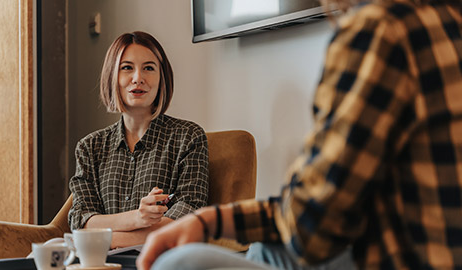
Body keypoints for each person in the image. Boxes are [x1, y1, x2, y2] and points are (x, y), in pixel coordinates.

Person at [136, 0, 462, 268]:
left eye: (148, 67)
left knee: (179, 264)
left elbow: (313, 229)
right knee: (266, 251)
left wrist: (207, 220)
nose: (138, 78)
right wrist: (211, 220)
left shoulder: (381, 29)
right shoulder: (446, 21)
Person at [68, 31, 209, 249]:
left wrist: (108, 240)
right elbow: (83, 220)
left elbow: (187, 217)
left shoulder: (188, 137)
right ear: (112, 76)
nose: (137, 78)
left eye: (149, 68)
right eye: (127, 68)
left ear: (163, 77)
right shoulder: (89, 147)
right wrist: (137, 218)